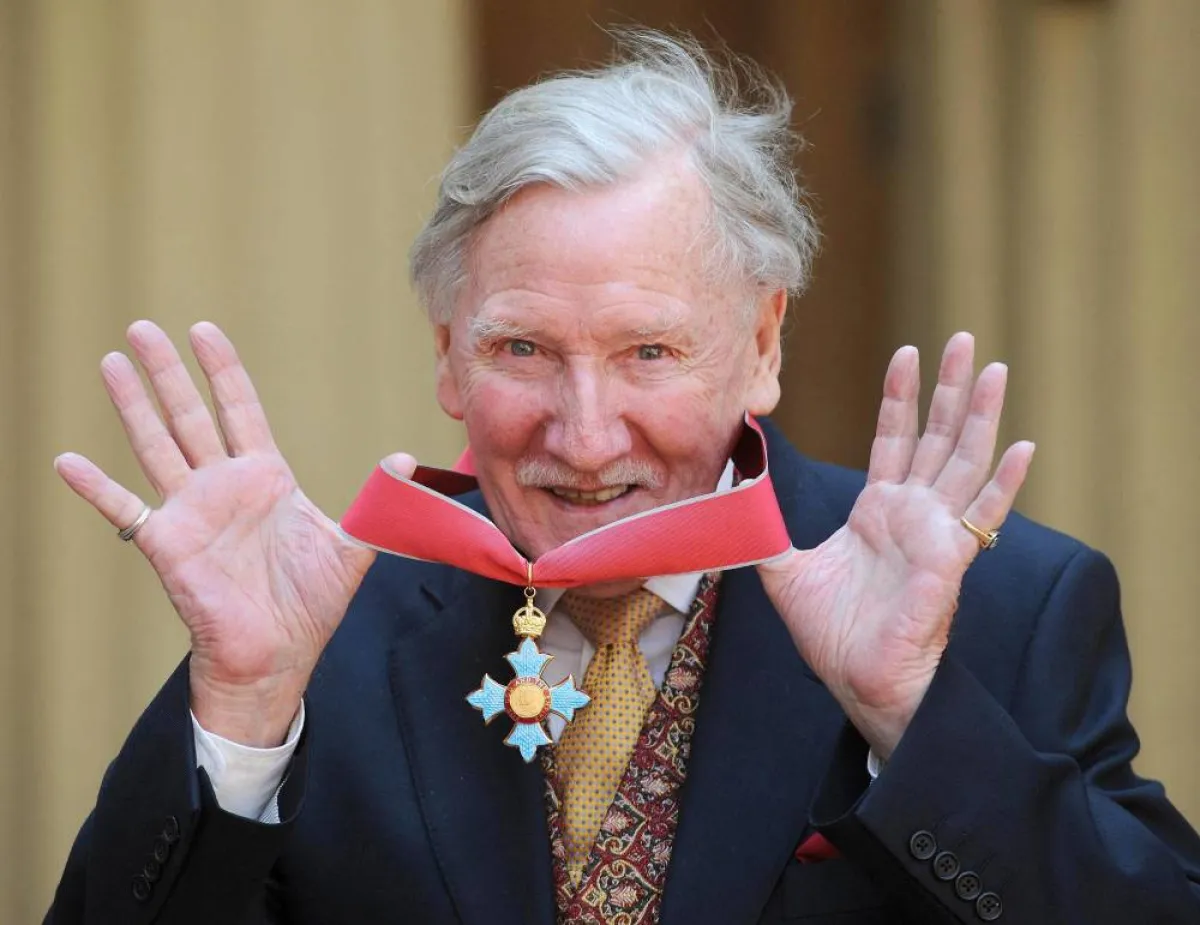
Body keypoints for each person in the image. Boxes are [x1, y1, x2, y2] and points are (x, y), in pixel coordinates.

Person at [44, 30, 1200, 925]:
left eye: (649, 352)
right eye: (521, 349)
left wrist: (910, 714)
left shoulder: (999, 609)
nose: (587, 438)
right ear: (445, 353)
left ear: (763, 344)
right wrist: (241, 707)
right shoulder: (317, 621)